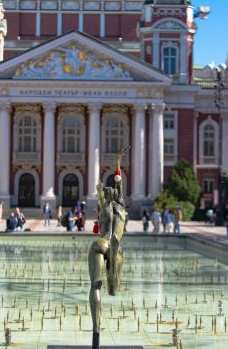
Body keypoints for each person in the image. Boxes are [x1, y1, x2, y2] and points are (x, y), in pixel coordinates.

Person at [88, 146, 128, 348]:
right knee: (113, 290)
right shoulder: (121, 207)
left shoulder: (103, 206)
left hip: (100, 243)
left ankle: (96, 329)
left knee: (95, 286)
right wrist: (117, 163)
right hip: (116, 246)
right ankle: (113, 270)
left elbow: (98, 188)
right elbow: (119, 184)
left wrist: (94, 157)